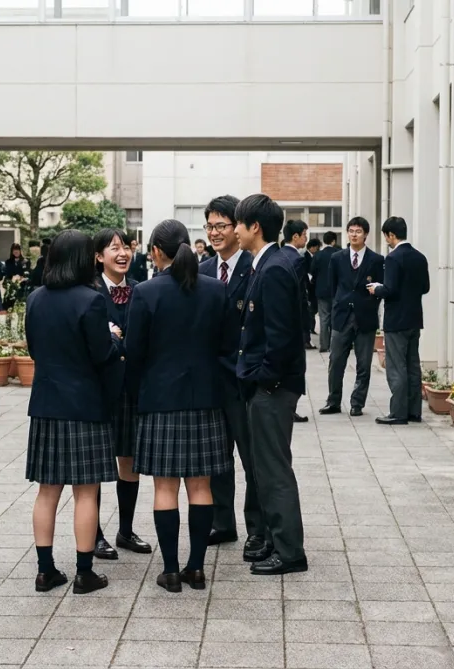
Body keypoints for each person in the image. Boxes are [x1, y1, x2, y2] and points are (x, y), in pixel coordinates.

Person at [128, 219, 229, 592]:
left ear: (156, 251)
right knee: (201, 487)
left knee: (165, 488)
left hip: (160, 400)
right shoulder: (216, 290)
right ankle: (197, 568)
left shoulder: (147, 292)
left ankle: (170, 570)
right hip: (205, 398)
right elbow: (225, 345)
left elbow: (135, 352)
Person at [24, 230, 122, 595]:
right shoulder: (91, 300)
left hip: (47, 404)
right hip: (85, 405)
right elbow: (101, 354)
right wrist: (113, 337)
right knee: (85, 491)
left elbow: (34, 350)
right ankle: (84, 572)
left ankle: (45, 570)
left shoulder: (35, 299)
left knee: (47, 491)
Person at [233, 194, 308, 576]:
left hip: (273, 387)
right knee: (265, 467)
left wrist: (262, 380)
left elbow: (280, 338)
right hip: (266, 384)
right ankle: (278, 542)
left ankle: (290, 551)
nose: (234, 231)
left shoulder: (275, 267)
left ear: (254, 227)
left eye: (237, 224)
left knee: (273, 468)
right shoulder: (269, 263)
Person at [198, 195, 261, 552]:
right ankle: (222, 522)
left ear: (238, 228)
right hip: (212, 383)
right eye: (210, 226)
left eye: (222, 225)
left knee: (251, 459)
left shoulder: (254, 266)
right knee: (217, 457)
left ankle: (256, 526)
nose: (215, 232)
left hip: (244, 380)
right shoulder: (203, 269)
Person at [90, 228, 151, 561]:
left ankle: (125, 530)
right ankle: (95, 534)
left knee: (129, 460)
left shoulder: (140, 290)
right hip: (100, 389)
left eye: (126, 246)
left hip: (132, 388)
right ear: (100, 256)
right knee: (99, 464)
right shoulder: (90, 292)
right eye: (114, 248)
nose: (123, 253)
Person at [368, 216, 430, 425]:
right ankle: (414, 411)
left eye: (387, 236)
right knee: (413, 366)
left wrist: (377, 288)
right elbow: (425, 288)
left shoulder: (393, 258)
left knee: (396, 368)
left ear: (391, 235)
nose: (387, 240)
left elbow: (390, 289)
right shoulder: (420, 257)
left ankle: (398, 412)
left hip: (396, 321)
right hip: (414, 318)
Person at [321, 218, 384, 417]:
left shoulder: (376, 260)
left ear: (365, 234)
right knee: (336, 360)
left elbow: (380, 288)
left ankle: (357, 403)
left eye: (358, 231)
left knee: (363, 363)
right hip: (342, 317)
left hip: (365, 317)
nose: (354, 234)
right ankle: (333, 401)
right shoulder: (337, 258)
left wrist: (368, 305)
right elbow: (333, 287)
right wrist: (338, 306)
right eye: (351, 231)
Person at [279, 221, 312, 423]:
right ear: (296, 236)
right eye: (305, 235)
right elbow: (300, 296)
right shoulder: (296, 260)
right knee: (296, 367)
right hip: (295, 322)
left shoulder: (279, 256)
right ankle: (290, 407)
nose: (306, 239)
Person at [311, 231, 341, 351]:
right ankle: (334, 346)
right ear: (334, 241)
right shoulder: (339, 253)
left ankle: (324, 345)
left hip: (321, 291)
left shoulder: (318, 255)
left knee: (324, 318)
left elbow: (312, 272)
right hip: (336, 291)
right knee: (335, 318)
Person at [3, 243, 31, 311]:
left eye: (17, 249)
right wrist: (13, 278)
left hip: (22, 288)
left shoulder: (26, 261)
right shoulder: (8, 262)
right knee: (9, 309)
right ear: (12, 251)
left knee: (21, 309)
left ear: (20, 250)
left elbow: (28, 274)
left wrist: (21, 278)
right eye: (14, 250)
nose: (16, 251)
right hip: (11, 289)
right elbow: (7, 274)